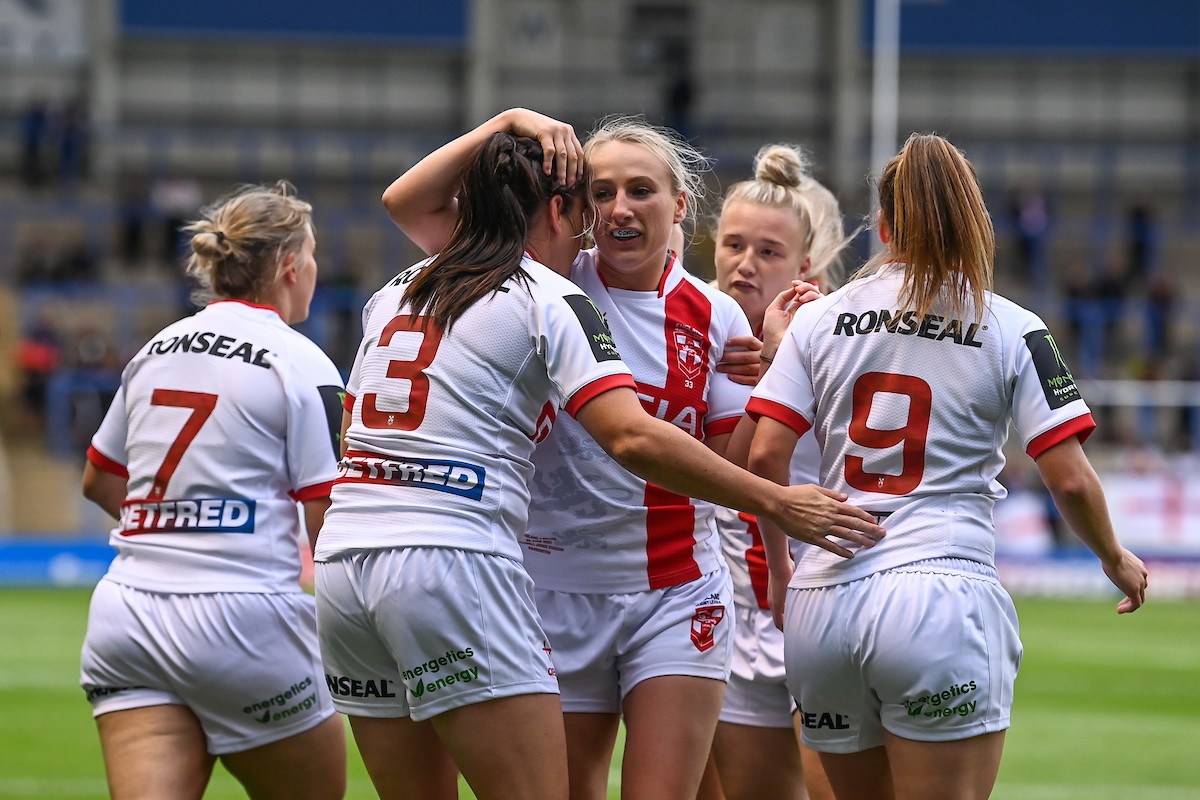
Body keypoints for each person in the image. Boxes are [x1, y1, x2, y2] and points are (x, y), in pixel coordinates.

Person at [377, 109, 884, 800]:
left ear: (678, 206)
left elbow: (721, 465)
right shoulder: (547, 283)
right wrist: (509, 120)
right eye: (602, 192)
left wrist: (770, 383)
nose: (620, 207)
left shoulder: (715, 316)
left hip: (677, 586)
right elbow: (409, 202)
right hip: (553, 585)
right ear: (576, 208)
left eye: (641, 190)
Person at [745, 133, 1149, 800]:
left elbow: (765, 457)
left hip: (824, 600)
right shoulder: (1015, 327)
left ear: (880, 226)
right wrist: (1113, 557)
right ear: (973, 223)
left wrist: (786, 571)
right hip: (938, 596)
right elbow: (1069, 477)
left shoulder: (818, 321)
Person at [79, 182, 348, 800]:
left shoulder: (154, 349)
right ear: (288, 266)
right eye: (310, 256)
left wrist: (175, 523)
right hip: (243, 618)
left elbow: (99, 479)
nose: (313, 270)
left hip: (128, 614)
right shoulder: (301, 360)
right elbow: (327, 515)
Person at [708, 143, 849, 800]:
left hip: (826, 600)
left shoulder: (837, 341)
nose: (745, 264)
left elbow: (767, 464)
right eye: (733, 245)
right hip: (737, 608)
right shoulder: (700, 336)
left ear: (805, 266)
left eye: (768, 253)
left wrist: (776, 370)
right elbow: (715, 480)